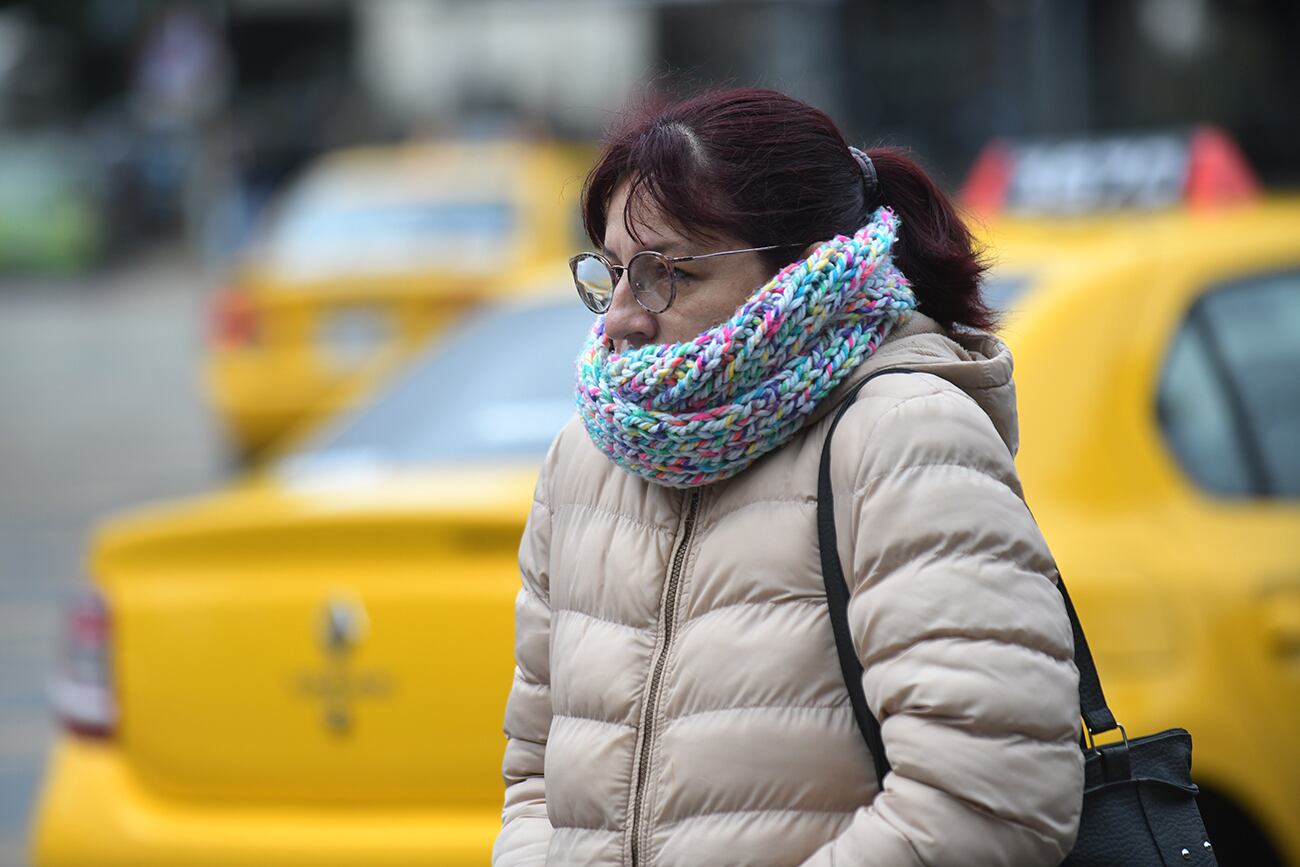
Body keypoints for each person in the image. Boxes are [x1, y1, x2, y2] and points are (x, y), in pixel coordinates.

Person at [493, 88, 1084, 867]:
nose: (621, 316)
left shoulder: (904, 434)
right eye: (611, 272)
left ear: (803, 271)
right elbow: (536, 780)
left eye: (665, 271)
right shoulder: (586, 459)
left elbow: (991, 794)